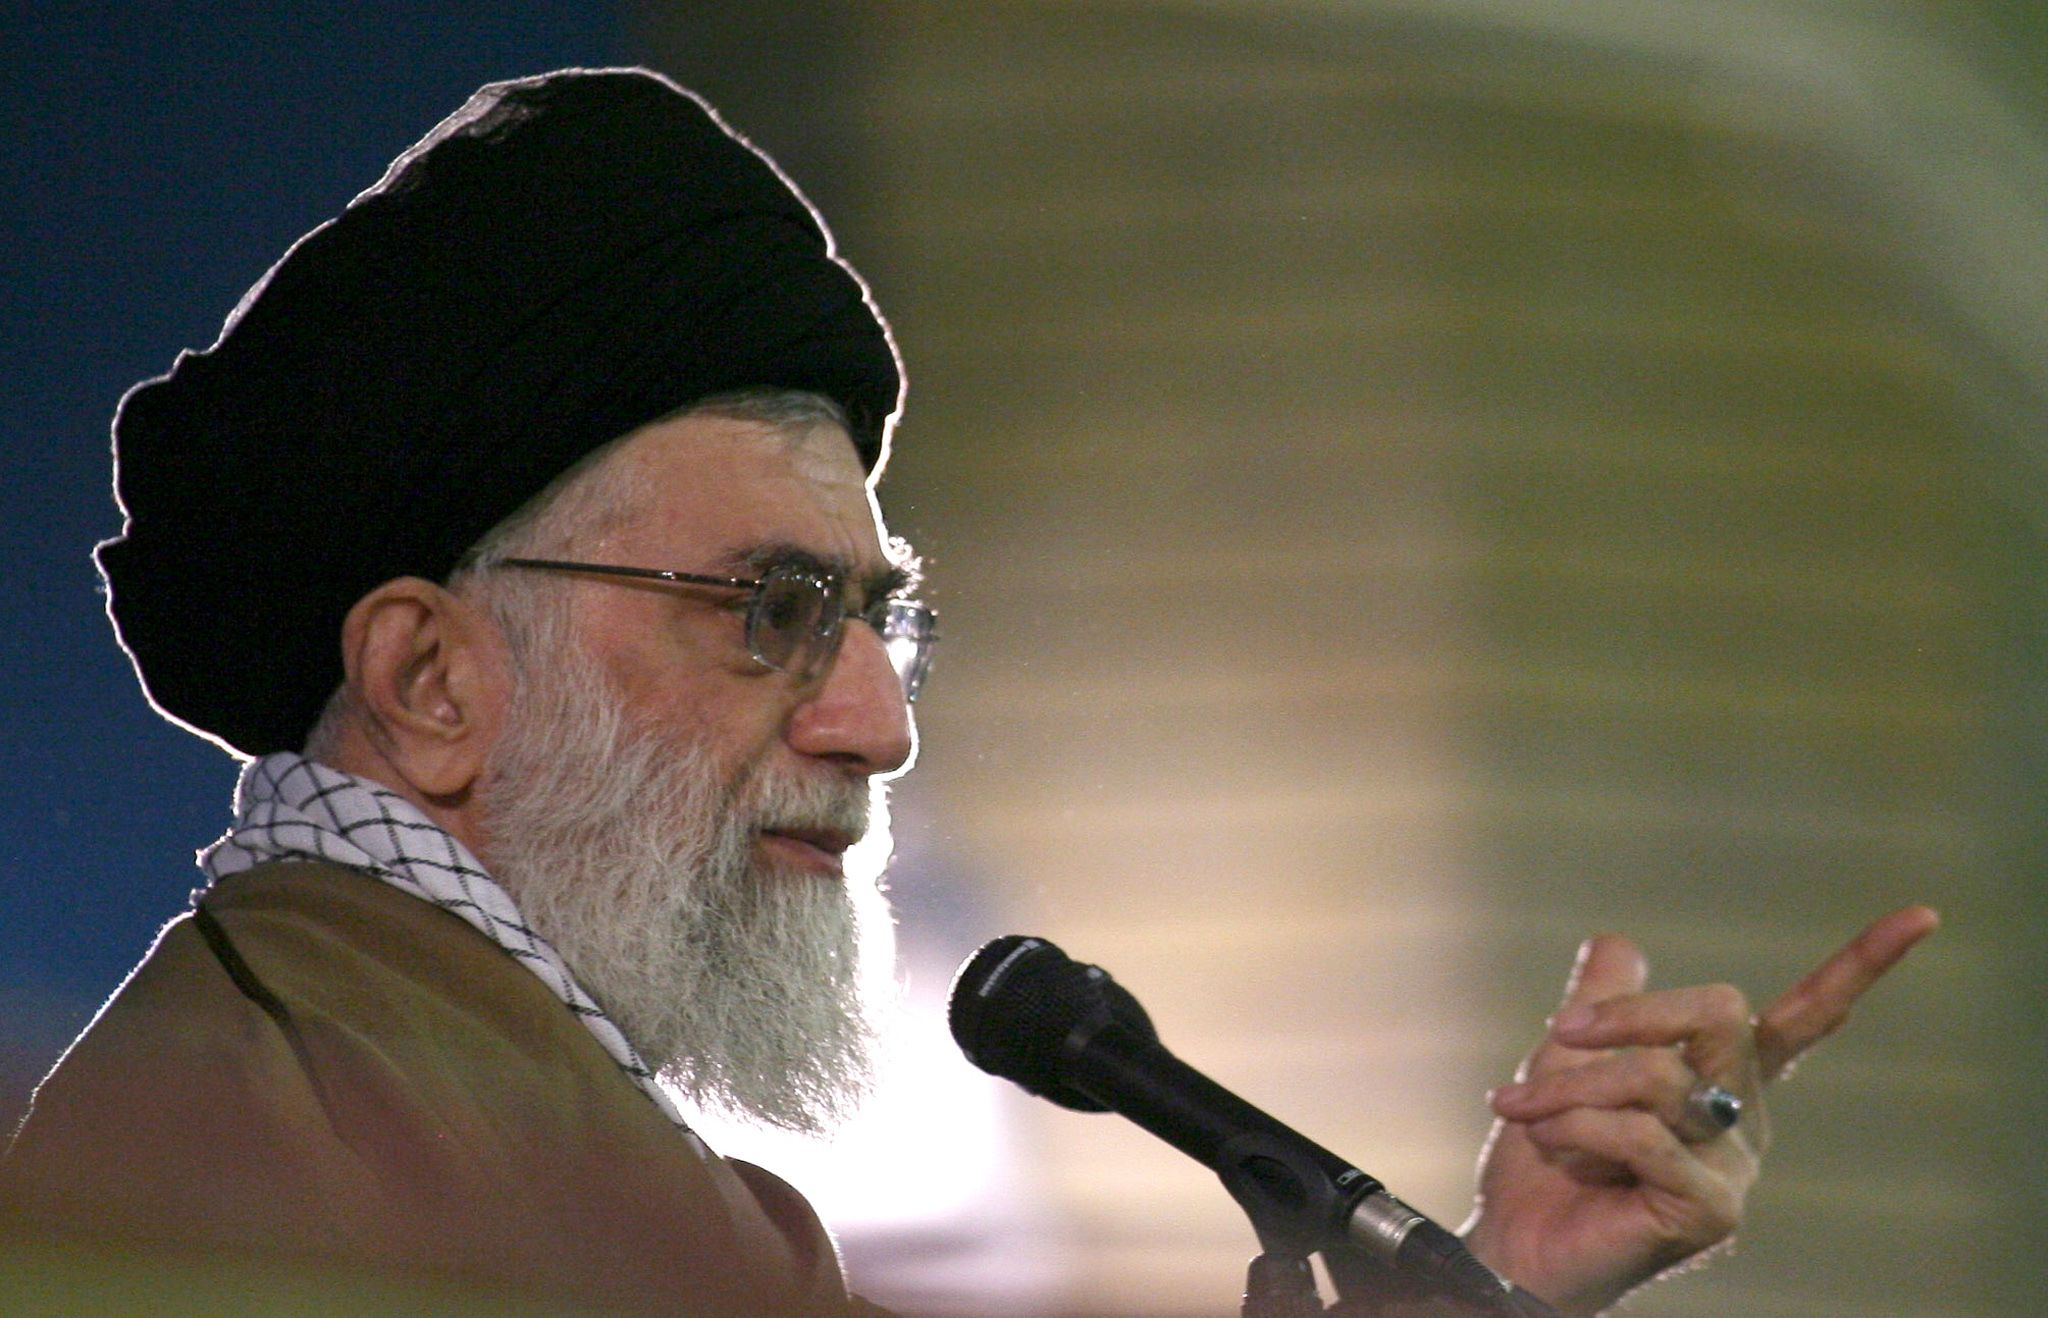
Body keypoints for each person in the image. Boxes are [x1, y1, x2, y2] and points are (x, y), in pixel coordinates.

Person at [1, 67, 1935, 1316]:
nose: (878, 721)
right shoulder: (288, 1184)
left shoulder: (449, 1112)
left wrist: (1495, 1267)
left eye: (876, 616)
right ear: (431, 677)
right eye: (768, 608)